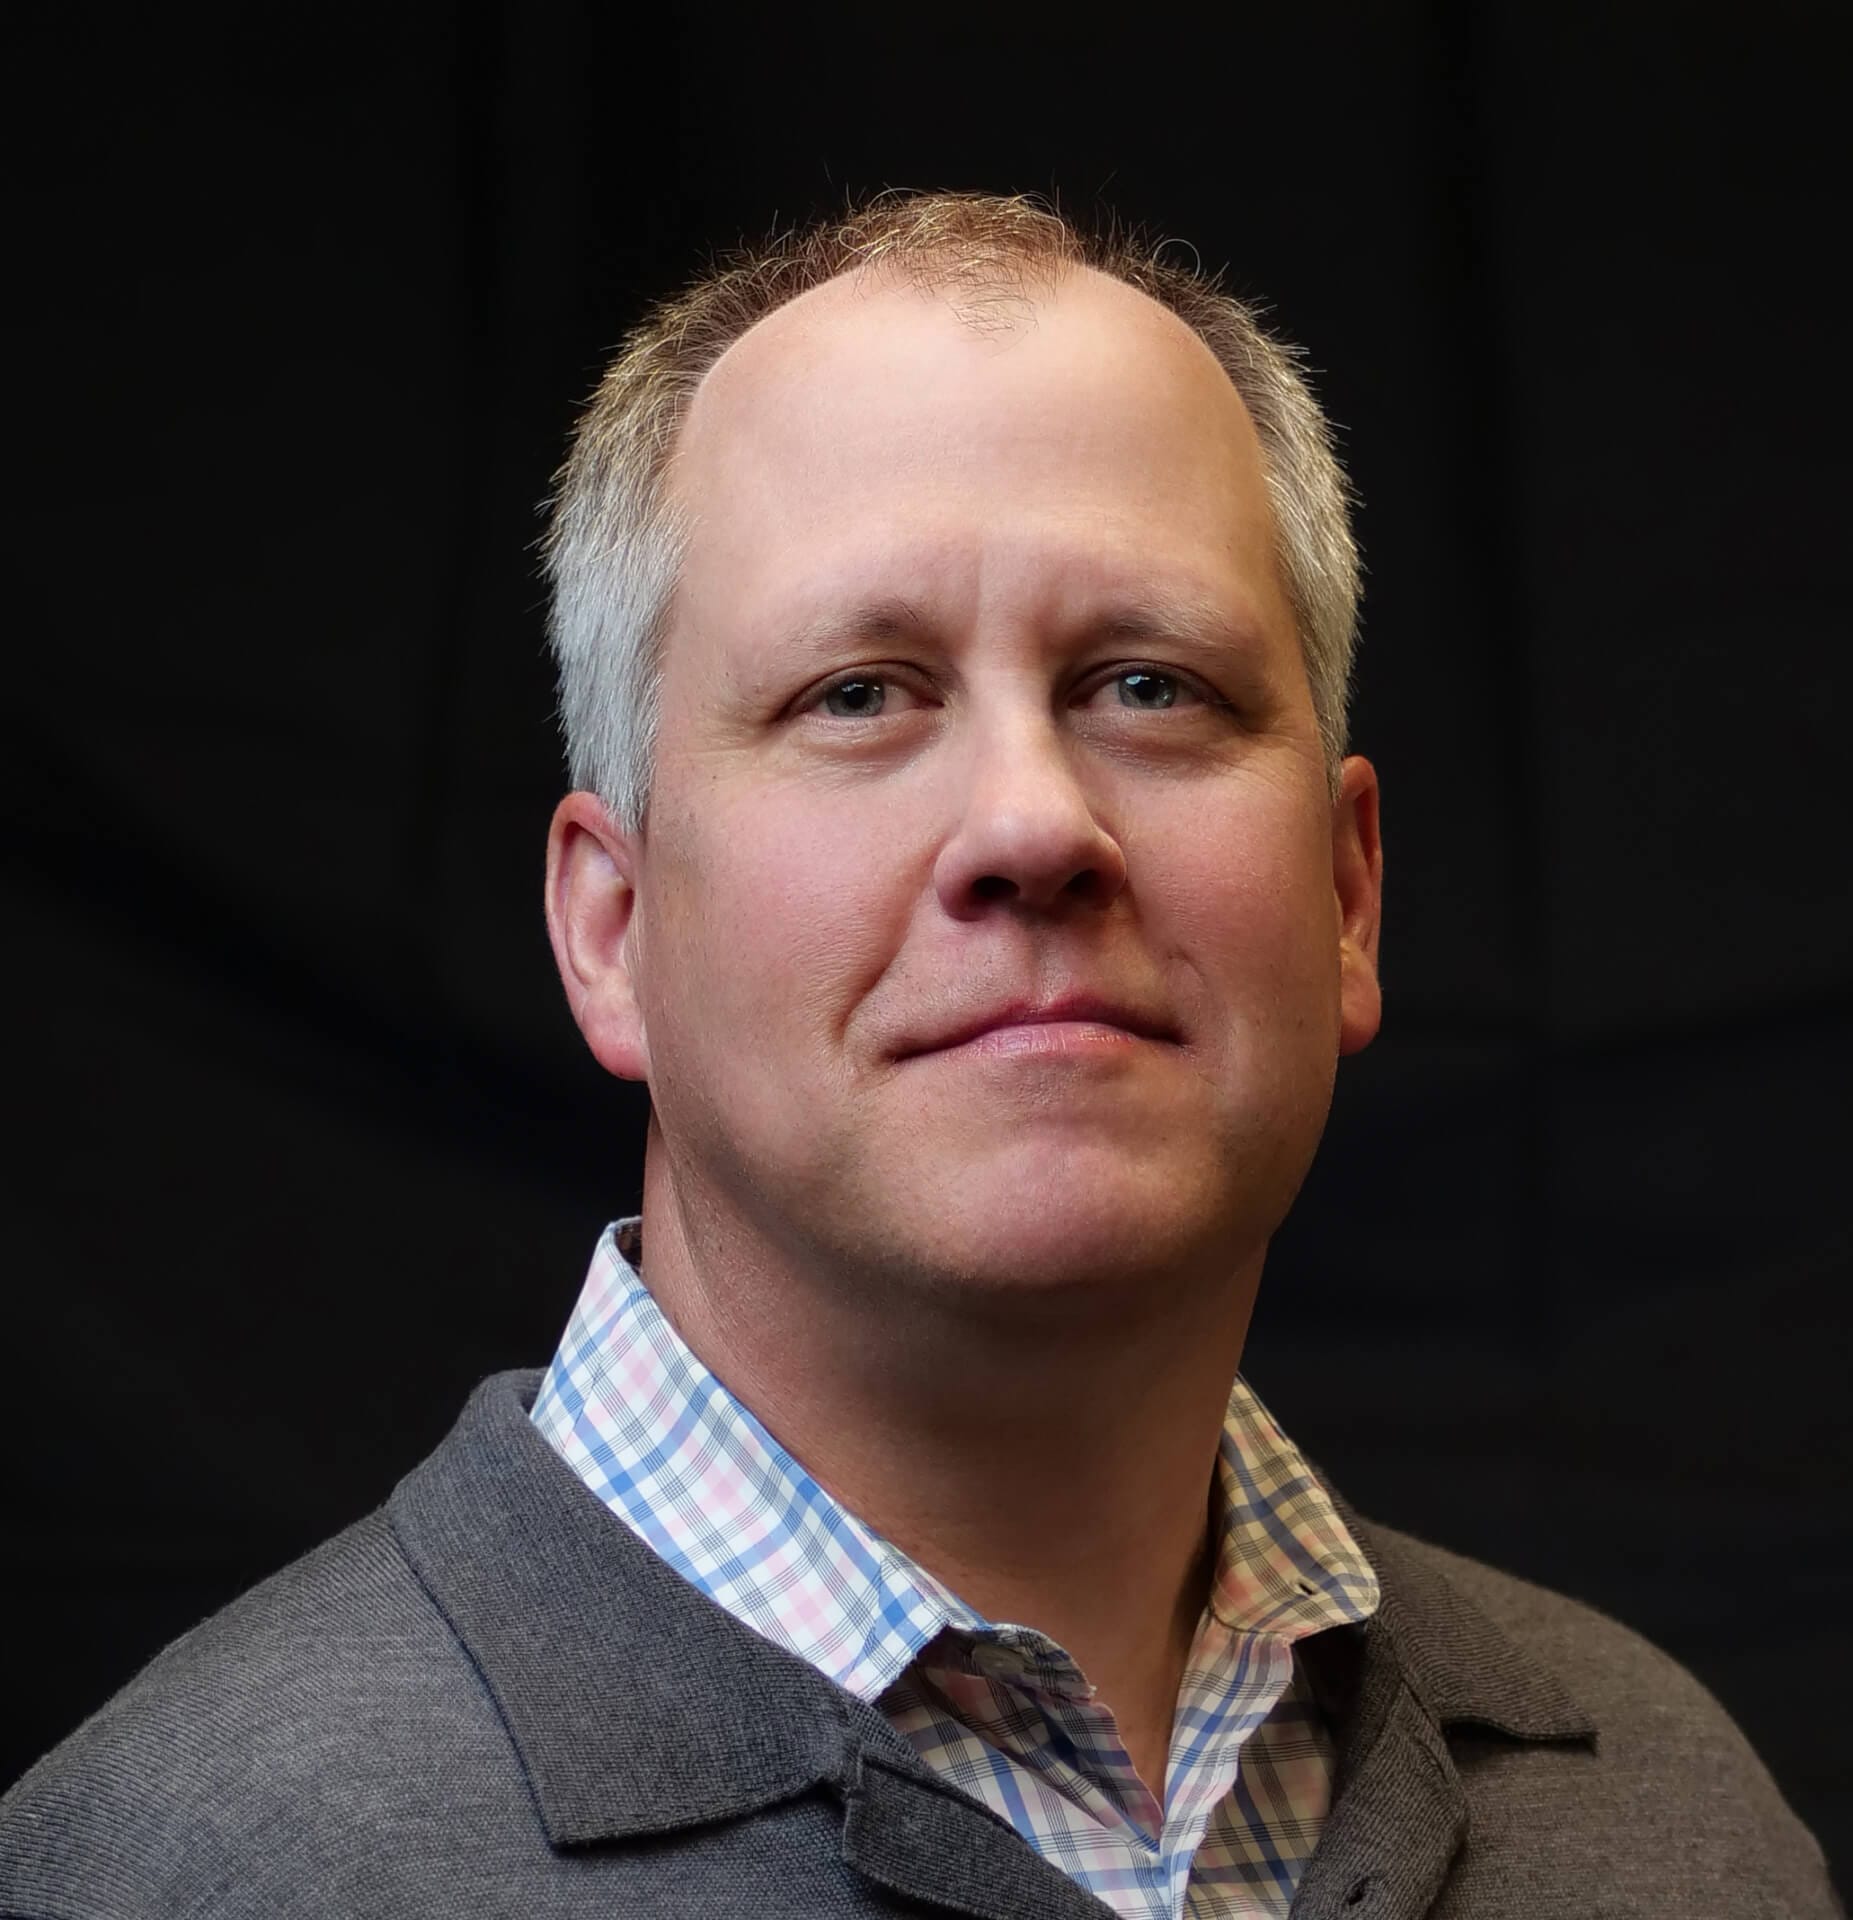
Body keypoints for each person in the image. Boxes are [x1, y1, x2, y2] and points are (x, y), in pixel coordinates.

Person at [0, 190, 1837, 1920]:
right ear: (611, 930)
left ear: (1347, 895)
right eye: (858, 694)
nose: (1032, 826)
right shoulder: (199, 1865)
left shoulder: (1664, 1821)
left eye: (1149, 684)